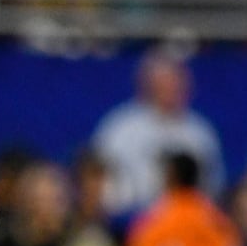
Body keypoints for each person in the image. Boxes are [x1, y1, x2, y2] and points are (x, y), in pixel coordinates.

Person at [91, 49, 226, 228]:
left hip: (186, 224)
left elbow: (213, 187)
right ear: (147, 84)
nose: (171, 88)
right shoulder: (120, 128)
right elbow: (98, 181)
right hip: (128, 223)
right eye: (163, 82)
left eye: (175, 82)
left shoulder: (200, 132)